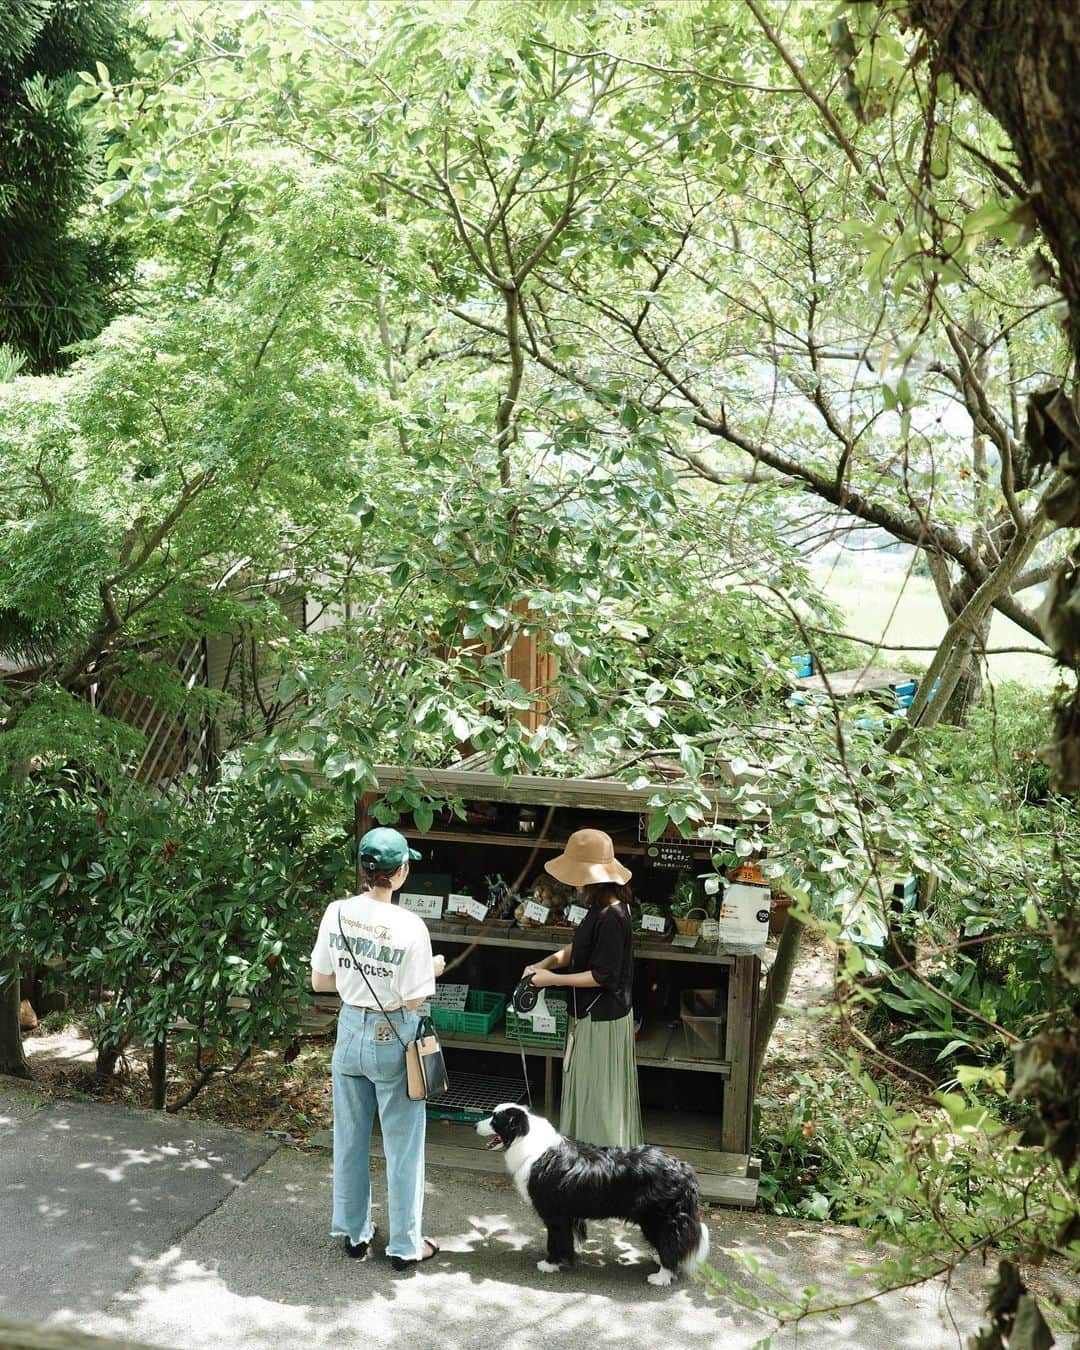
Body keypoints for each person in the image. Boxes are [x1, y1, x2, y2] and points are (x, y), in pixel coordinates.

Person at [310, 826, 445, 1270]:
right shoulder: (411, 925)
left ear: (363, 871)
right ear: (401, 872)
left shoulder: (337, 913)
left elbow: (320, 981)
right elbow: (412, 999)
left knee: (349, 1139)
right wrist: (431, 969)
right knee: (402, 1145)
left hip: (350, 1029)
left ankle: (353, 1232)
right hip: (394, 1035)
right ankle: (406, 1244)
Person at [522, 828, 644, 1148]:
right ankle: (591, 1164)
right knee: (591, 1093)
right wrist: (546, 964)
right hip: (593, 1016)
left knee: (601, 1101)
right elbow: (580, 950)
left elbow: (602, 976)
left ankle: (601, 1165)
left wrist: (552, 980)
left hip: (603, 1018)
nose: (573, 882)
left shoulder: (613, 915)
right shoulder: (601, 909)